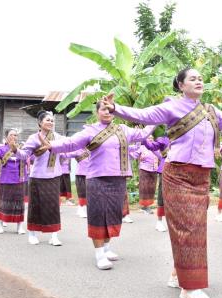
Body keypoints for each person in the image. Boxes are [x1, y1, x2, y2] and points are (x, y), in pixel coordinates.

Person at [102, 67, 222, 298]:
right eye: (192, 79)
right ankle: (190, 286)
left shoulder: (211, 111)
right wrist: (115, 108)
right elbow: (143, 115)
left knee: (196, 228)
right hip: (178, 175)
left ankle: (179, 272)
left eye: (201, 78)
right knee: (188, 227)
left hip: (201, 177)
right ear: (181, 85)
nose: (198, 81)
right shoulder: (171, 106)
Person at [39, 102, 153, 270]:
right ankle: (99, 254)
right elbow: (71, 143)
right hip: (97, 179)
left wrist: (157, 118)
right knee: (98, 215)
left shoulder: (123, 129)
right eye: (103, 109)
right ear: (97, 112)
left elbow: (143, 133)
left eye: (109, 109)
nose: (107, 112)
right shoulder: (90, 130)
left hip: (118, 179)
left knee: (114, 215)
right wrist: (52, 146)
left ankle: (107, 248)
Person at [13, 111, 64, 246]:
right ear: (40, 123)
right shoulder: (33, 138)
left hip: (54, 176)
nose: (51, 123)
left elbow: (66, 154)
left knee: (53, 206)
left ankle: (54, 235)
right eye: (48, 120)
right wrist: (15, 150)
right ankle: (32, 233)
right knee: (36, 206)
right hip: (38, 177)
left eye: (52, 121)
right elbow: (24, 155)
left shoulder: (58, 137)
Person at [142, 131, 170, 232]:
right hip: (166, 169)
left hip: (182, 171)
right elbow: (151, 146)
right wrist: (143, 137)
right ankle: (159, 222)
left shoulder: (185, 138)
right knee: (162, 195)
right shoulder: (164, 140)